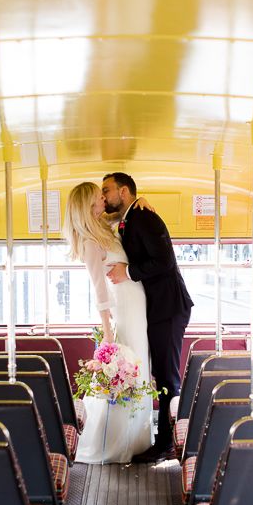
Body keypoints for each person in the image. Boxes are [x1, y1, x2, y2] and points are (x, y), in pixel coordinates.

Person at [103, 172, 193, 462]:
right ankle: (165, 439)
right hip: (157, 308)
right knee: (161, 375)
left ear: (125, 191)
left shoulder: (144, 217)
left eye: (108, 190)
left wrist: (126, 273)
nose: (104, 197)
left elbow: (164, 261)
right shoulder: (130, 218)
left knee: (167, 377)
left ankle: (167, 444)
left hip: (168, 307)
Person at [63, 182, 153, 463]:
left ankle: (138, 436)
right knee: (129, 367)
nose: (103, 199)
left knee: (140, 364)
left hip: (135, 303)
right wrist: (107, 332)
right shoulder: (90, 241)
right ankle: (118, 440)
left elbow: (122, 216)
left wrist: (142, 200)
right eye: (98, 197)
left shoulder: (103, 228)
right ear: (88, 204)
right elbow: (99, 290)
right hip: (124, 307)